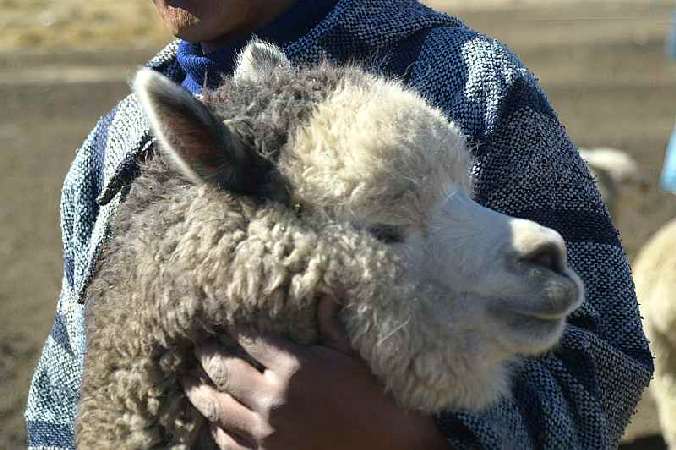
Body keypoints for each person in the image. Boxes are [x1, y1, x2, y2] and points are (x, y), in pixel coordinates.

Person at [25, 0, 653, 448]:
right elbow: (61, 405)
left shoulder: (467, 81)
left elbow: (608, 365)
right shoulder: (117, 145)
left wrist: (406, 439)